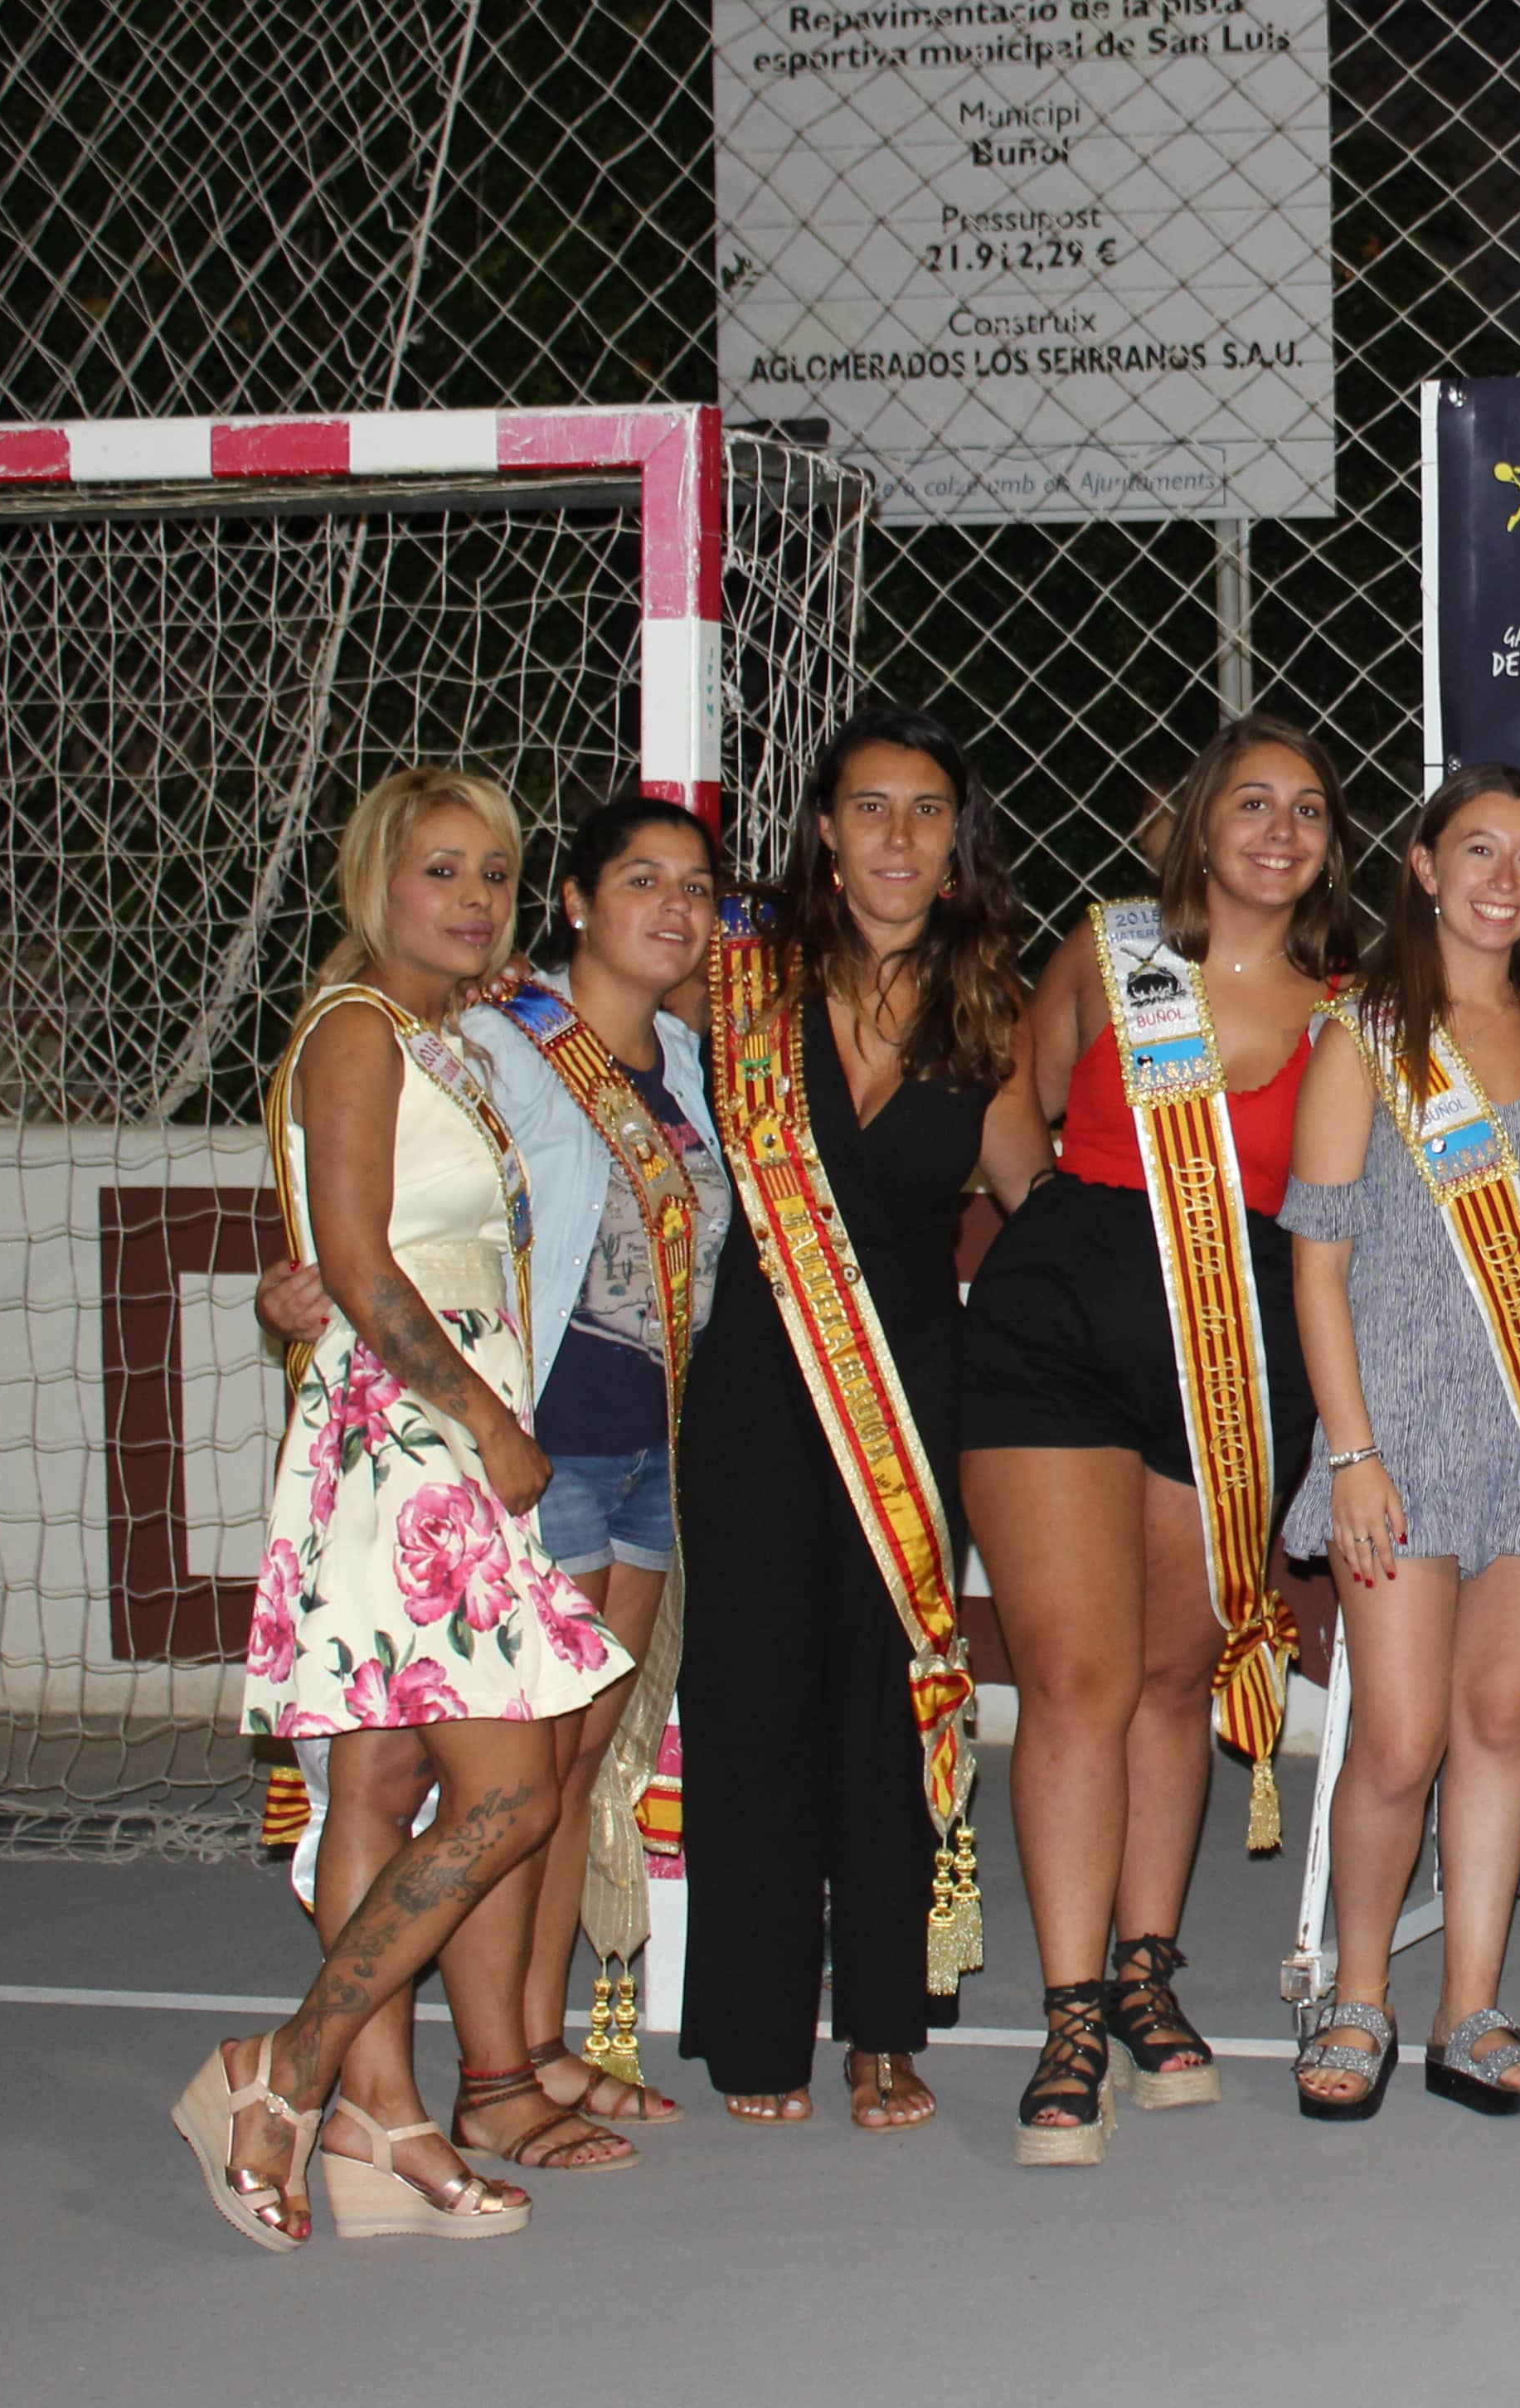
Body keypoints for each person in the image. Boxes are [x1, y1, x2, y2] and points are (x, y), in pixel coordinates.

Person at [181, 769, 636, 2249]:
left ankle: (381, 2111)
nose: (475, 898)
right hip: (413, 1442)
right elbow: (363, 1263)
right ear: (374, 881)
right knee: (511, 1791)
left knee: (380, 1782)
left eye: (495, 873)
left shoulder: (442, 1041)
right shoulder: (358, 1029)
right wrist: (490, 1424)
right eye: (442, 870)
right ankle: (287, 2069)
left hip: (421, 1429)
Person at [957, 713, 1352, 2160]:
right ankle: (1068, 2012)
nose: (1278, 830)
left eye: (1306, 809)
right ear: (1195, 825)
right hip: (1053, 1342)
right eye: (1250, 802)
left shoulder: (1351, 1009)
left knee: (1176, 1676)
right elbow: (1014, 1094)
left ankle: (1143, 1972)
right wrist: (1053, 1229)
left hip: (1237, 1360)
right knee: (1074, 1677)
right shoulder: (1111, 947)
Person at [684, 711, 1047, 2136]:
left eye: (928, 810)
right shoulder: (735, 983)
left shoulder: (989, 1007)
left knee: (894, 1704)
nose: (900, 835)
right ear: (825, 831)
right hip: (753, 1387)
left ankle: (887, 2024)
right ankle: (755, 2022)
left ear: (960, 839)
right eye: (872, 806)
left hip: (906, 1394)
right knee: (753, 1697)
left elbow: (1037, 1208)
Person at [1276, 769, 1520, 2118]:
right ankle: (1358, 1997)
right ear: (1425, 868)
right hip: (1400, 1435)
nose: (1504, 878)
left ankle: (1468, 2009)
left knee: (1499, 1722)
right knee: (1396, 1738)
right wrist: (1353, 1455)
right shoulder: (1362, 1039)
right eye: (1477, 850)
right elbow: (1318, 1265)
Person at [469, 794, 727, 2124]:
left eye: (695, 887)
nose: (674, 907)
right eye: (641, 880)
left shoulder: (685, 1062)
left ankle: (538, 2037)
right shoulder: (502, 1042)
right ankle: (496, 2069)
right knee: (520, 1775)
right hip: (548, 1445)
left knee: (580, 1765)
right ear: (573, 900)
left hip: (651, 1454)